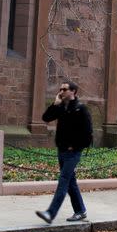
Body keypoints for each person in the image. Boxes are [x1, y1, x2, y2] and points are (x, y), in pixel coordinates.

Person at [36, 80, 93, 224]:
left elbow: (88, 134)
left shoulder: (81, 109)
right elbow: (46, 118)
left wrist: (74, 147)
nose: (61, 92)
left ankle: (50, 213)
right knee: (71, 182)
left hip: (73, 152)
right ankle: (80, 211)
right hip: (61, 150)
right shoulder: (61, 108)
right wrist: (54, 105)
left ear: (73, 91)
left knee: (63, 181)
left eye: (64, 89)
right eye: (60, 89)